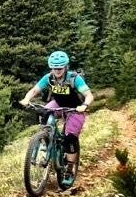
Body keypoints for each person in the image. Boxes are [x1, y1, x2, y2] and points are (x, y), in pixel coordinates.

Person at [19, 50, 94, 183]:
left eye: (60, 68)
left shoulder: (74, 78)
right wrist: (26, 99)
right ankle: (46, 137)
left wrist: (84, 105)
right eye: (54, 68)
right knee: (45, 112)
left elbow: (89, 95)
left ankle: (70, 169)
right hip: (58, 104)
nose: (57, 71)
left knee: (70, 138)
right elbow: (35, 89)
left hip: (75, 109)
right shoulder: (48, 78)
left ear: (66, 67)